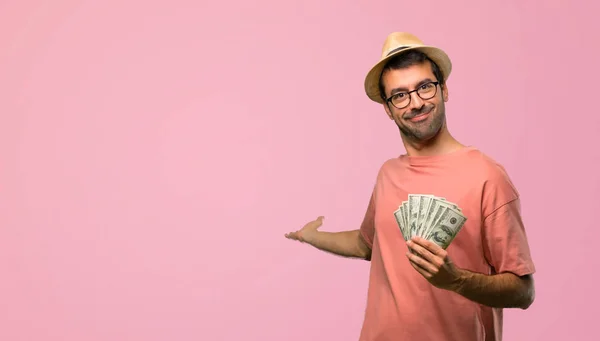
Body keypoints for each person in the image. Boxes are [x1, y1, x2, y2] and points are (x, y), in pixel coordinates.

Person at [284, 32, 536, 341]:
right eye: (400, 95)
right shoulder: (388, 174)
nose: (416, 103)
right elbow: (367, 245)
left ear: (443, 89)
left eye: (424, 88)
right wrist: (313, 237)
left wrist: (456, 280)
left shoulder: (487, 176)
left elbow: (523, 291)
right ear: (388, 109)